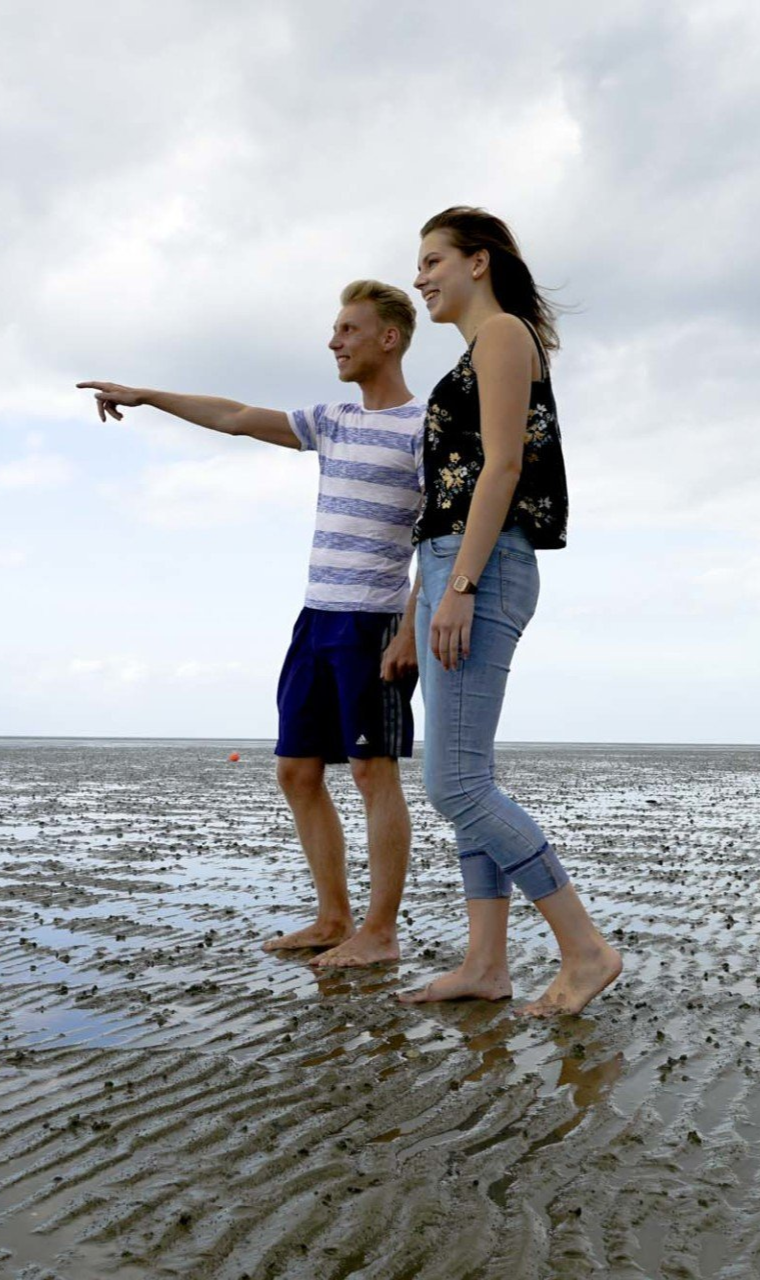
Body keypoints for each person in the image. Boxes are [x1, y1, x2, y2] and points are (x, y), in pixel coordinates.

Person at [79, 282, 425, 968]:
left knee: (370, 772)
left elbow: (442, 537)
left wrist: (412, 628)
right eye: (335, 329)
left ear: (388, 338)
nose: (334, 341)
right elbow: (236, 416)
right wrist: (147, 396)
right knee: (296, 770)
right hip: (315, 618)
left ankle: (379, 933)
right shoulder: (331, 420)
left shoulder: (424, 427)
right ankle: (333, 917)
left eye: (348, 330)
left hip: (375, 622)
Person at [395, 207, 622, 1017]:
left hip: (479, 566)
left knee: (454, 783)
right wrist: (421, 602)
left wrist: (458, 586)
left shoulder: (500, 335)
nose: (419, 277)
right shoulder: (476, 350)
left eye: (431, 261)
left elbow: (501, 469)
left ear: (478, 262)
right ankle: (486, 965)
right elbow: (444, 496)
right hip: (453, 564)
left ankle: (585, 950)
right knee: (467, 777)